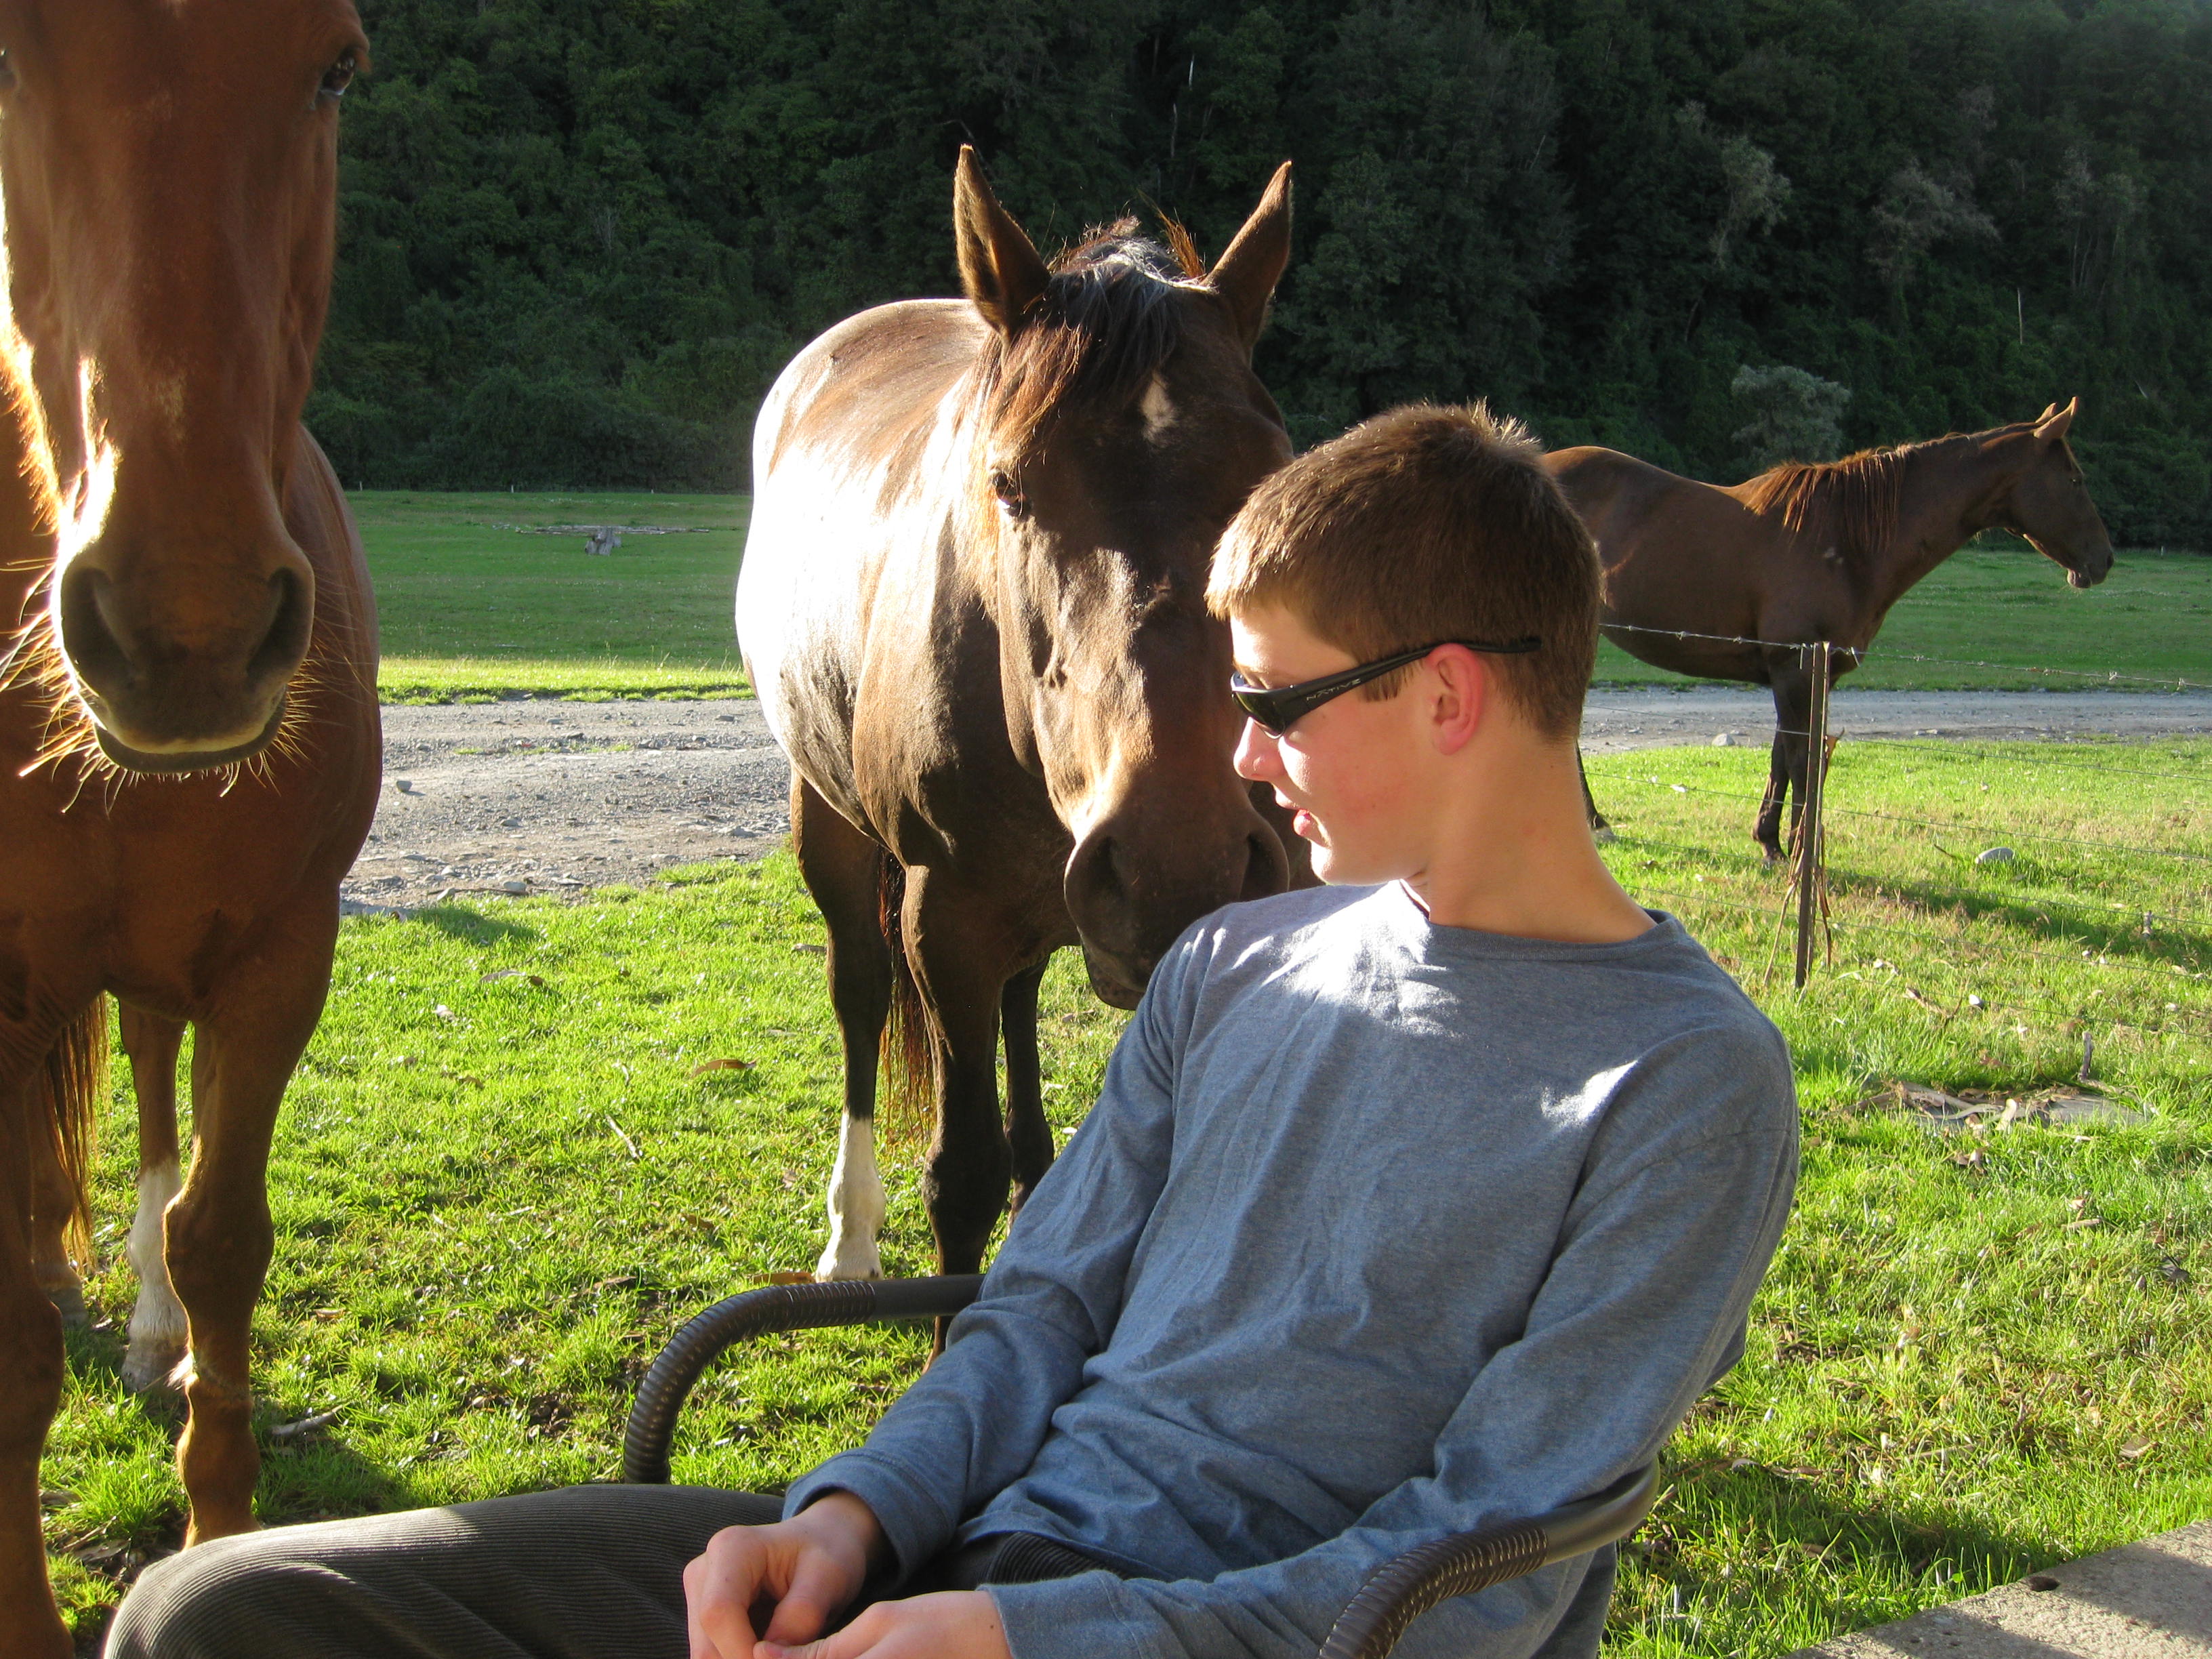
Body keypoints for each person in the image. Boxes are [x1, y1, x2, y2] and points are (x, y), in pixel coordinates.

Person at [108, 403, 1798, 1659]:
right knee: (223, 1614)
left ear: (1448, 696)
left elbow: (1481, 1575)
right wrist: (853, 1516)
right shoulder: (1233, 972)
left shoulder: (1683, 1083)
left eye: (1272, 702)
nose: (1240, 758)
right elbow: (1039, 1306)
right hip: (952, 1573)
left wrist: (1025, 1646)